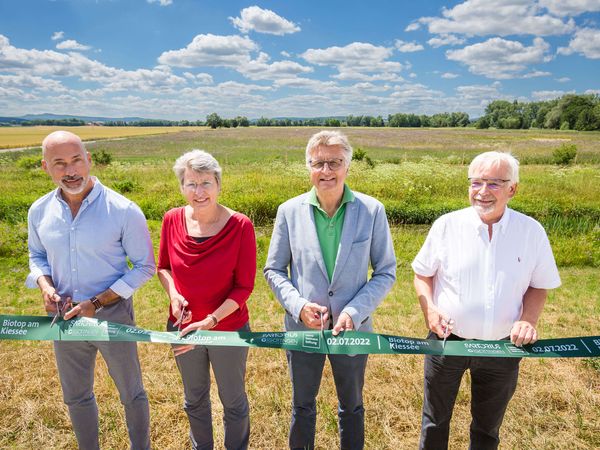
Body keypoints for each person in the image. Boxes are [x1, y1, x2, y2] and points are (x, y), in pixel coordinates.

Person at [412, 151, 561, 449]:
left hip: (502, 349)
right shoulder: (446, 226)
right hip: (446, 342)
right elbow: (422, 275)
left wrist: (528, 320)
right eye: (476, 182)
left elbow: (539, 285)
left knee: (487, 427)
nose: (482, 192)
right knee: (435, 420)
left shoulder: (531, 231)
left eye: (494, 184)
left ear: (512, 189)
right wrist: (430, 310)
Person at [264, 130, 396, 450]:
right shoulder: (289, 211)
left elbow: (386, 272)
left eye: (334, 162)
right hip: (302, 329)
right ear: (308, 167)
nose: (326, 171)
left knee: (351, 406)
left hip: (353, 330)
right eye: (318, 163)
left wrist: (354, 310)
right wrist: (298, 305)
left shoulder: (372, 210)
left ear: (347, 166)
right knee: (302, 405)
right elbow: (273, 269)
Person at [26, 131, 155, 450]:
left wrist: (97, 302)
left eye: (76, 160)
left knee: (131, 393)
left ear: (89, 160)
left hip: (113, 316)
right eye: (59, 163)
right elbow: (37, 255)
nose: (70, 171)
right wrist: (45, 284)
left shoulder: (123, 209)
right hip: (63, 319)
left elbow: (144, 266)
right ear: (46, 167)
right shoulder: (39, 211)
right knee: (76, 396)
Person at [157, 149, 256, 450]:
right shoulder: (171, 219)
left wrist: (212, 319)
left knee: (233, 399)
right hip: (183, 330)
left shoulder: (240, 226)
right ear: (182, 187)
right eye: (191, 184)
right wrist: (173, 294)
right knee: (194, 398)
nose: (199, 192)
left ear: (218, 184)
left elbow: (243, 287)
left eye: (206, 183)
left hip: (227, 330)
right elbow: (163, 267)